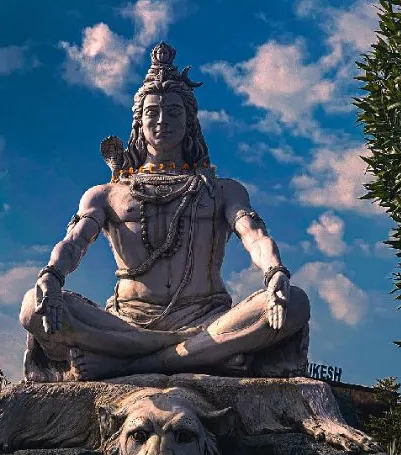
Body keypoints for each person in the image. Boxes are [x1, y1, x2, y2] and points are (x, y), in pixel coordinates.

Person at [20, 43, 310, 382]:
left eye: (174, 113)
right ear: (138, 123)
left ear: (189, 122)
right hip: (128, 324)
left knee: (295, 302)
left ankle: (131, 365)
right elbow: (74, 242)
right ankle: (199, 356)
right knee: (31, 306)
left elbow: (254, 235)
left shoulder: (221, 189)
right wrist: (51, 277)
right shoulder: (108, 193)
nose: (162, 121)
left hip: (206, 319)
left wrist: (275, 274)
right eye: (152, 113)